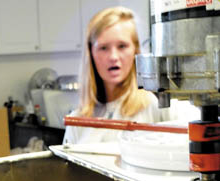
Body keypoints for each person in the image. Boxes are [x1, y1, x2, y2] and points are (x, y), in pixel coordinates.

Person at [63, 7, 160, 144]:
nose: (113, 57)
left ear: (135, 51)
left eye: (122, 46)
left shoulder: (155, 107)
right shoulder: (77, 120)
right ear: (91, 53)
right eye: (103, 48)